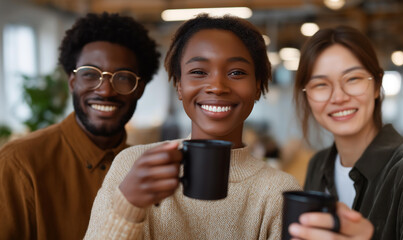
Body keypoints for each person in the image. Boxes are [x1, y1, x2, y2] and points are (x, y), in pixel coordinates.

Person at [85, 14, 373, 240]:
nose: (217, 86)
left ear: (258, 87)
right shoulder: (132, 166)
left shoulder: (277, 191)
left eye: (237, 73)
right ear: (179, 86)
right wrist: (128, 205)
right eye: (198, 72)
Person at [0, 12, 160, 239]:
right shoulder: (19, 165)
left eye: (122, 77)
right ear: (72, 82)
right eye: (90, 74)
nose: (105, 90)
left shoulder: (146, 169)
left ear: (139, 88)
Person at [293, 25, 403, 239]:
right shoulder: (318, 165)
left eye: (353, 79)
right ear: (307, 96)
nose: (338, 97)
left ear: (376, 85)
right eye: (320, 84)